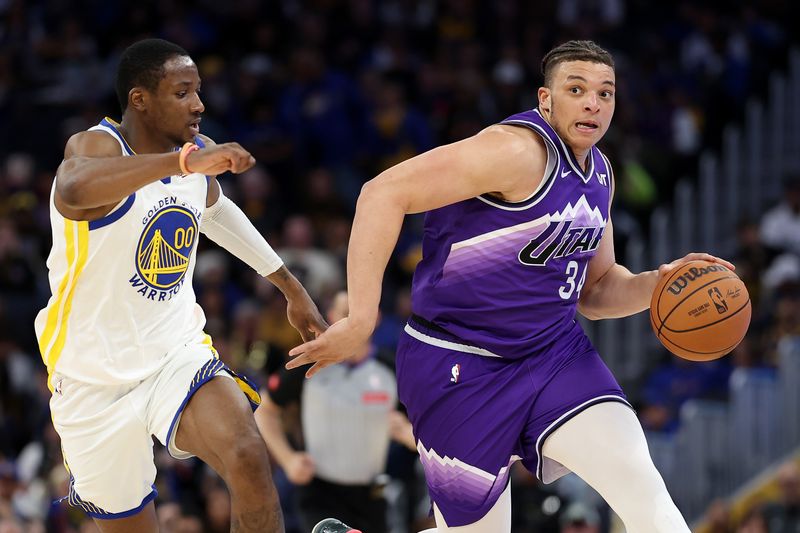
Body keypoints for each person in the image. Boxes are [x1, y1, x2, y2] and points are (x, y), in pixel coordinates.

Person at [287, 39, 735, 532]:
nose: (593, 103)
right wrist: (361, 319)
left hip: (553, 354)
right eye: (577, 89)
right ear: (546, 100)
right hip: (458, 362)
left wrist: (660, 284)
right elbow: (381, 193)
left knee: (642, 488)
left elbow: (597, 290)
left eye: (605, 93)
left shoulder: (600, 172)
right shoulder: (516, 151)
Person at [32, 37, 354, 533]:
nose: (199, 104)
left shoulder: (193, 158)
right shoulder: (97, 146)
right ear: (141, 100)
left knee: (247, 453)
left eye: (198, 91)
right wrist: (181, 164)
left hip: (174, 354)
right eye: (183, 92)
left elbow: (216, 209)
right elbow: (73, 190)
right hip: (90, 378)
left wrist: (291, 288)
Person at [255, 291, 409, 533]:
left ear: (375, 317)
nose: (352, 321)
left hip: (372, 497)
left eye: (359, 312)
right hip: (320, 494)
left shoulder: (391, 370)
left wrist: (407, 434)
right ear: (330, 317)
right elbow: (264, 409)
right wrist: (287, 459)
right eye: (345, 313)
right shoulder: (310, 363)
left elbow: (420, 430)